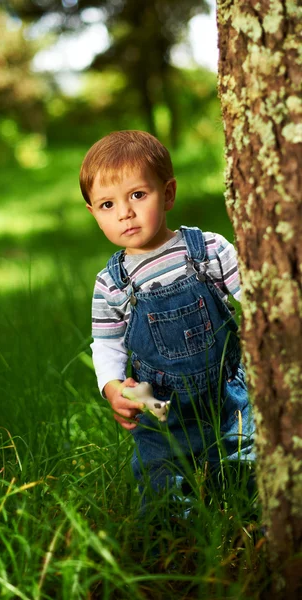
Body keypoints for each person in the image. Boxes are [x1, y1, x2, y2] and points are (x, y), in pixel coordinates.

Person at [80, 130, 254, 510]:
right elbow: (107, 344)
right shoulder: (111, 284)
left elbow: (253, 297)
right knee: (159, 485)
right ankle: (172, 538)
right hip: (161, 413)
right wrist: (112, 388)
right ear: (94, 214)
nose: (125, 212)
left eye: (138, 195)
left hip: (226, 396)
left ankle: (244, 521)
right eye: (107, 204)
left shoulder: (207, 250)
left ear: (169, 193)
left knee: (244, 467)